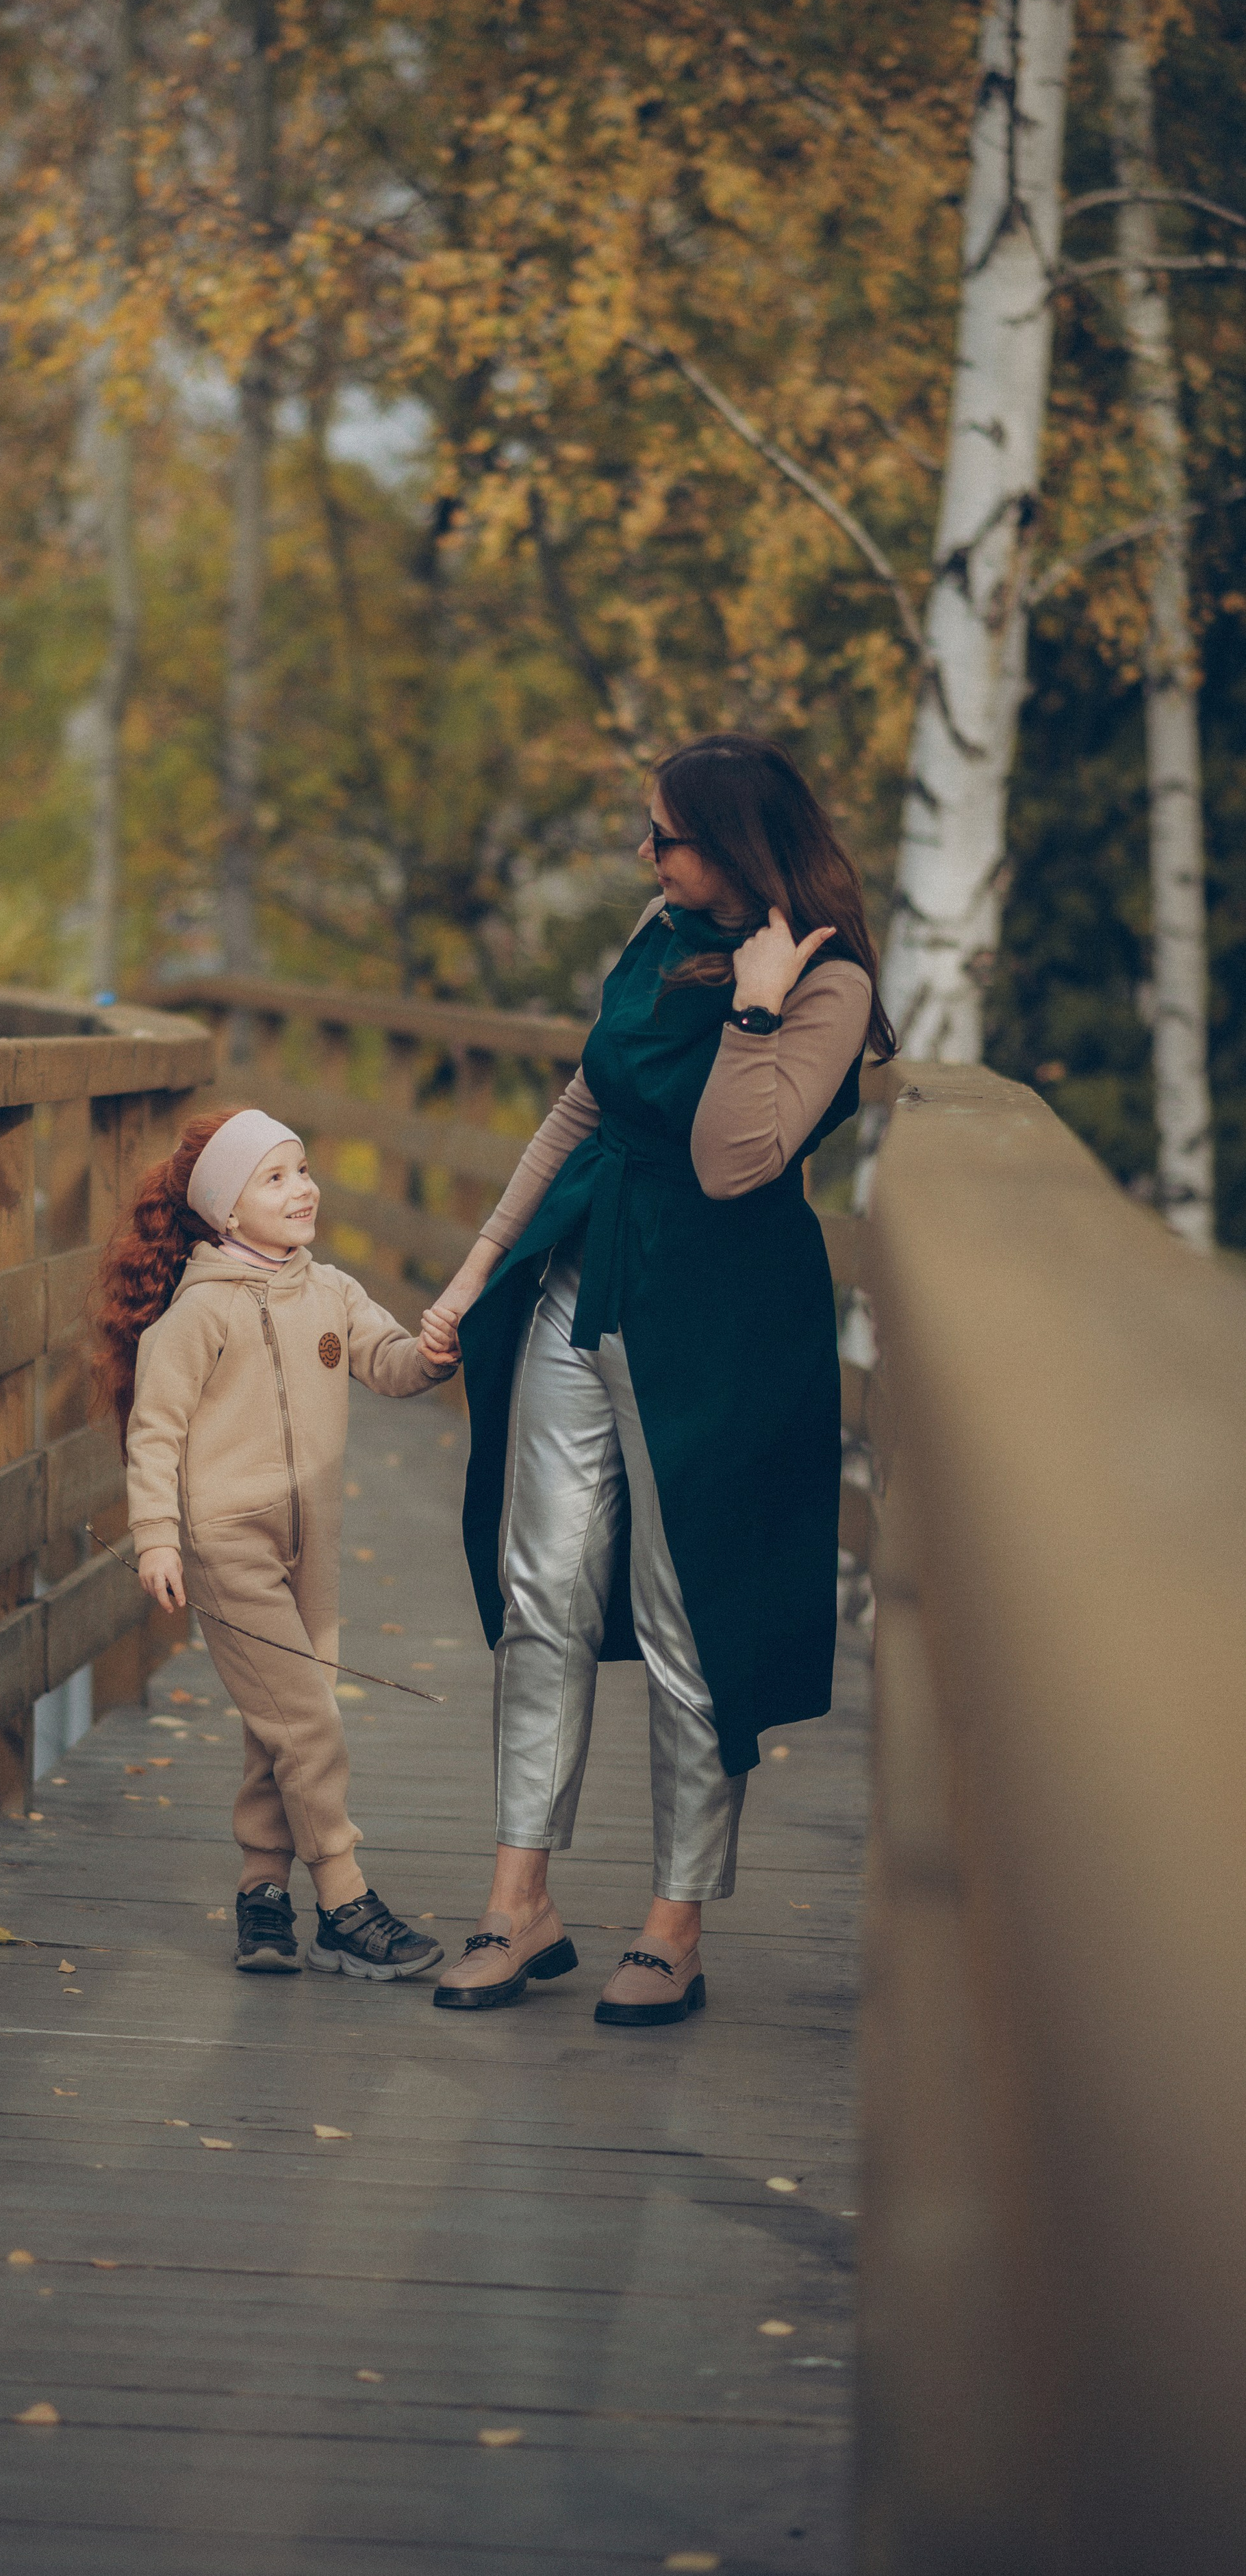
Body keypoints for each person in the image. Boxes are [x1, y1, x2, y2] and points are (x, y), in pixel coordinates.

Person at [420, 734, 896, 2026]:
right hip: (584, 1279)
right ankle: (518, 1901)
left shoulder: (828, 981)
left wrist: (753, 1008)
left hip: (723, 1320)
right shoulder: (659, 925)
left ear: (739, 846)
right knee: (543, 1589)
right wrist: (473, 1278)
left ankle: (675, 1923)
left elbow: (741, 1158)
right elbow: (582, 1106)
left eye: (669, 835)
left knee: (688, 1615)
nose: (649, 854)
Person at [92, 1106, 459, 1981]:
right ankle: (343, 1897)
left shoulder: (328, 1290)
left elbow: (389, 1363)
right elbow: (155, 1432)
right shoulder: (198, 1314)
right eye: (275, 1177)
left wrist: (438, 1354)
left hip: (312, 1546)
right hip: (227, 1547)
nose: (303, 1189)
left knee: (282, 1720)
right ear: (225, 1211)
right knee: (306, 1721)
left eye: (303, 1169)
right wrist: (156, 1539)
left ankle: (263, 1889)